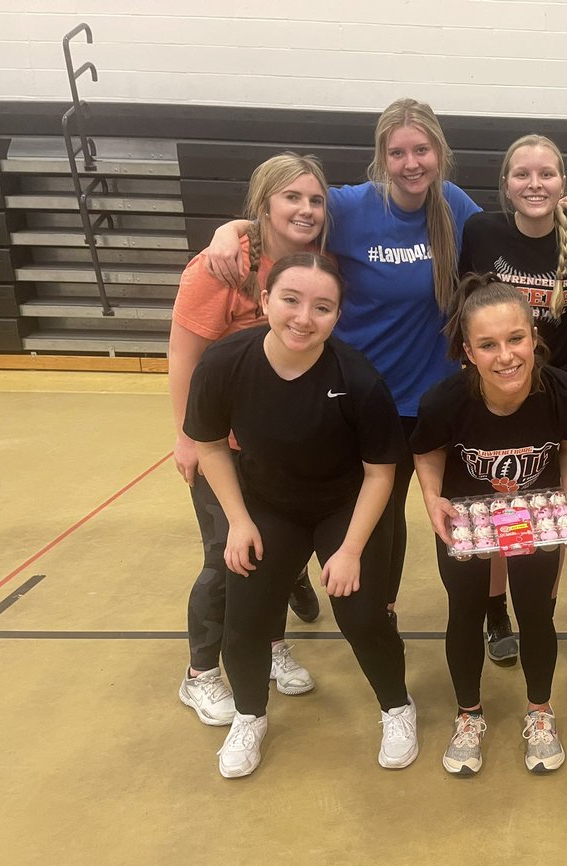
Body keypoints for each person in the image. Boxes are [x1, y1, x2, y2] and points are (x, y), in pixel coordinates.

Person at [204, 98, 482, 628]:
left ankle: (395, 609)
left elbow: (506, 236)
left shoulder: (454, 205)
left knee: (402, 512)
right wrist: (231, 229)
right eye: (397, 152)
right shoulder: (352, 205)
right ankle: (303, 576)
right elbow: (286, 212)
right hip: (355, 393)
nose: (411, 163)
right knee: (338, 503)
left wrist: (560, 210)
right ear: (381, 157)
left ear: (439, 152)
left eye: (421, 150)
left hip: (424, 397)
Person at [184, 253, 416, 778]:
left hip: (344, 508)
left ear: (338, 316)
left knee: (363, 616)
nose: (303, 317)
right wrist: (238, 522)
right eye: (290, 300)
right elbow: (211, 445)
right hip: (268, 507)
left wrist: (352, 550)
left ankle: (397, 707)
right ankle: (250, 715)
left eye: (323, 306)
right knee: (245, 618)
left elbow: (380, 474)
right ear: (264, 300)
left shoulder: (357, 378)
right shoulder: (225, 363)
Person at [410, 274, 567, 775]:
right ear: (468, 351)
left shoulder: (561, 392)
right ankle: (469, 715)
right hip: (468, 517)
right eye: (487, 345)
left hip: (531, 518)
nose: (506, 356)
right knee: (465, 613)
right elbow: (427, 453)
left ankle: (540, 711)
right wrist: (432, 498)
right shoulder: (445, 400)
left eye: (515, 339)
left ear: (534, 336)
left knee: (536, 612)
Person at [169, 152, 329, 726]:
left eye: (314, 200)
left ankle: (268, 647)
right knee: (225, 557)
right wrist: (189, 437)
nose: (305, 209)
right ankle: (200, 674)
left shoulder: (313, 266)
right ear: (263, 204)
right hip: (222, 446)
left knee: (275, 554)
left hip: (277, 447)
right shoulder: (218, 268)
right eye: (292, 198)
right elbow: (183, 357)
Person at [457, 133, 567, 665]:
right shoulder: (481, 229)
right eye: (523, 174)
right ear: (505, 184)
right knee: (498, 502)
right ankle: (497, 611)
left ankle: (538, 605)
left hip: (552, 390)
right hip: (491, 390)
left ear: (564, 183)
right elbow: (469, 298)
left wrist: (546, 312)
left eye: (546, 174)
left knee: (546, 512)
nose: (535, 183)